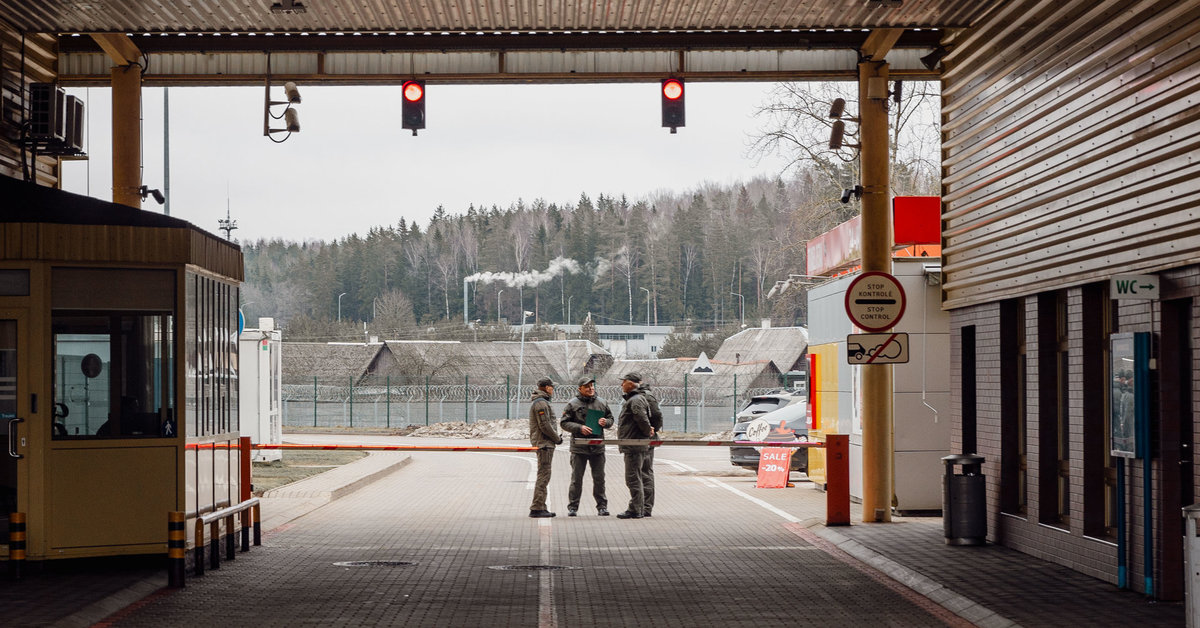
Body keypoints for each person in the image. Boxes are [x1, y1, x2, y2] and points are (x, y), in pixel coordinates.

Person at [559, 375, 614, 516]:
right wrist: (579, 428)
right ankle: (573, 507)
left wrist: (605, 422)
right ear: (580, 389)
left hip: (597, 447)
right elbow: (564, 423)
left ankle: (602, 507)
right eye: (587, 386)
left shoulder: (602, 402)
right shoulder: (572, 404)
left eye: (592, 386)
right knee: (576, 479)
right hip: (579, 448)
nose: (591, 388)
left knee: (599, 479)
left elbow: (611, 419)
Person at [615, 372, 653, 519]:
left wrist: (646, 432)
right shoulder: (635, 399)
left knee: (633, 478)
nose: (621, 385)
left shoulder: (635, 400)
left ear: (631, 383)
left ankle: (636, 509)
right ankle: (637, 507)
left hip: (634, 445)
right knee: (635, 477)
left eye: (623, 382)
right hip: (634, 444)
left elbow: (642, 419)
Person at [528, 377, 563, 518]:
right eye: (552, 387)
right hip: (544, 443)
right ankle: (537, 507)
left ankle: (541, 506)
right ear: (547, 387)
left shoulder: (542, 402)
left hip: (545, 443)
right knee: (544, 474)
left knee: (544, 474)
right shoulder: (541, 404)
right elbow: (545, 425)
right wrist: (557, 438)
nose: (553, 390)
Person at [638, 380, 664, 517]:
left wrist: (651, 429)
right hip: (638, 439)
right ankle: (640, 506)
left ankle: (645, 507)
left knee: (645, 472)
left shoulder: (646, 396)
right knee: (641, 473)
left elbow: (657, 415)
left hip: (645, 439)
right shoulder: (639, 396)